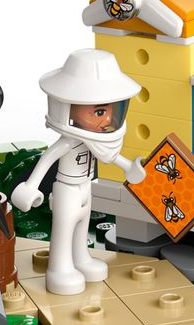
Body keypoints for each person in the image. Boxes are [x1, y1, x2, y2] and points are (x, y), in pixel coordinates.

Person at [11, 48, 145, 294]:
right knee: (64, 229)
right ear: (68, 109)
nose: (108, 120)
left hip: (85, 187)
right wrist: (30, 187)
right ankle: (59, 268)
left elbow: (110, 156)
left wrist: (129, 168)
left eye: (112, 111)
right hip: (67, 190)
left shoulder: (94, 141)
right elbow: (46, 161)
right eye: (99, 112)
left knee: (82, 225)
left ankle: (81, 259)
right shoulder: (68, 142)